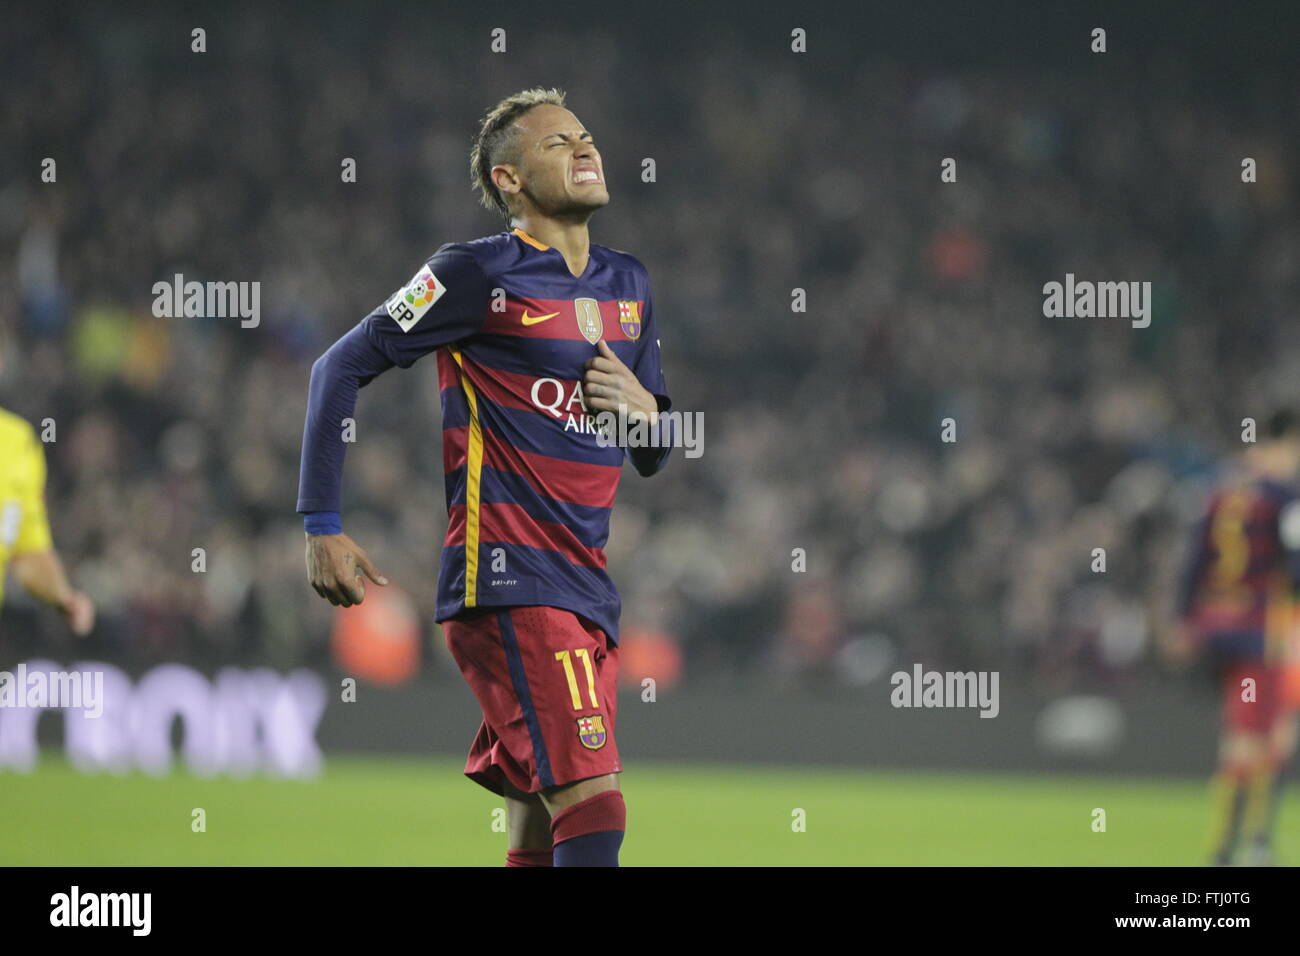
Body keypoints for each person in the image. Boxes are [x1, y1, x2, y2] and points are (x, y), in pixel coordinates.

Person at [297, 88, 674, 866]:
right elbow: (338, 366)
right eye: (556, 143)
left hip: (587, 587)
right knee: (595, 799)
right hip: (511, 580)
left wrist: (650, 413)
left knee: (537, 828)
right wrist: (321, 524)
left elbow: (653, 448)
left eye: (587, 135)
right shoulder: (474, 274)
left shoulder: (628, 285)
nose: (584, 148)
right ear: (508, 180)